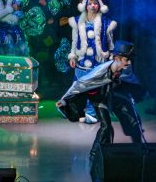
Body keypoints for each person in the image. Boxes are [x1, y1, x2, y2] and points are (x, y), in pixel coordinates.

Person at [56, 41, 143, 182]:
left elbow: (130, 82)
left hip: (115, 96)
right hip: (100, 97)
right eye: (126, 59)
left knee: (133, 121)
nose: (129, 63)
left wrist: (132, 96)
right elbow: (80, 83)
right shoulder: (101, 70)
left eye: (130, 59)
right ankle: (97, 154)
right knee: (106, 127)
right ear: (117, 58)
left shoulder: (126, 69)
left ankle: (139, 151)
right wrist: (64, 99)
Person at [67, 0, 117, 123]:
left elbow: (110, 41)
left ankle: (91, 113)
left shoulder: (106, 23)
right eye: (90, 3)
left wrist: (111, 55)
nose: (93, 6)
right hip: (82, 61)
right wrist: (72, 56)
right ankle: (72, 110)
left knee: (94, 88)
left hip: (97, 61)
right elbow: (74, 40)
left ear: (100, 5)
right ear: (85, 5)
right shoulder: (78, 21)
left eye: (96, 3)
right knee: (77, 87)